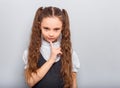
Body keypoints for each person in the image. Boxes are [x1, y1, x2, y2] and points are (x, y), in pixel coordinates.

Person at [23, 6, 80, 88]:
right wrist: (51, 59)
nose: (51, 34)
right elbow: (30, 82)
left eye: (56, 29)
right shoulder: (30, 52)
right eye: (46, 28)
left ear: (62, 28)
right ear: (39, 26)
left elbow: (73, 80)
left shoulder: (69, 52)